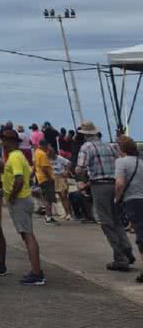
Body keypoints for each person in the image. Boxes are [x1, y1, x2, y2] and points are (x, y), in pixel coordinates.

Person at [76, 120, 135, 271]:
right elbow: (118, 163)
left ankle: (120, 258)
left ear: (83, 134)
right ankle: (127, 249)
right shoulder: (109, 146)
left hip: (99, 186)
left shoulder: (86, 147)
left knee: (106, 222)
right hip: (114, 185)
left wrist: (82, 181)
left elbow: (80, 169)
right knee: (116, 220)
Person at [0, 129, 46, 285]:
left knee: (27, 235)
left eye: (3, 140)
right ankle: (36, 270)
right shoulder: (19, 156)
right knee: (26, 235)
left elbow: (18, 180)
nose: (2, 143)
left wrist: (12, 196)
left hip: (19, 200)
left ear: (9, 141)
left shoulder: (14, 157)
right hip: (22, 198)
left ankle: (36, 272)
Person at [113, 135, 143, 283]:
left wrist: (117, 198)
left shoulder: (121, 162)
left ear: (121, 148)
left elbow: (119, 183)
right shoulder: (141, 162)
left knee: (141, 237)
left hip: (133, 201)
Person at [34, 140, 57, 225]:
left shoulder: (37, 152)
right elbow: (44, 168)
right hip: (46, 179)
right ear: (45, 146)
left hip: (40, 178)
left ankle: (49, 216)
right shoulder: (43, 154)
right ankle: (48, 217)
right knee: (48, 199)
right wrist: (50, 177)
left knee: (46, 198)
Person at [51, 147, 74, 221]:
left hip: (61, 177)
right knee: (60, 196)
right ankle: (66, 212)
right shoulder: (48, 159)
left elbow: (69, 163)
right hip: (54, 178)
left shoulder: (59, 158)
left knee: (64, 196)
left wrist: (67, 171)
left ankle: (69, 213)